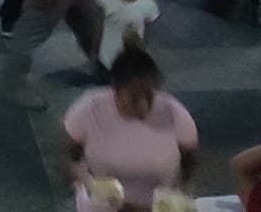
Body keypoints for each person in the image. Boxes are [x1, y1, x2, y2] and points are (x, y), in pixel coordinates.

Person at [62, 47, 199, 212]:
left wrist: (183, 189)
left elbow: (190, 157)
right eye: (134, 97)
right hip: (104, 205)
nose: (144, 105)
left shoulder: (175, 113)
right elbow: (68, 156)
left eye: (149, 95)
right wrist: (82, 179)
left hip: (156, 205)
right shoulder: (89, 109)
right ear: (116, 90)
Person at [97, 0, 159, 74]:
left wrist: (143, 49)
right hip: (105, 55)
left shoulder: (147, 3)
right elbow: (99, 15)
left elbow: (149, 30)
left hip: (129, 60)